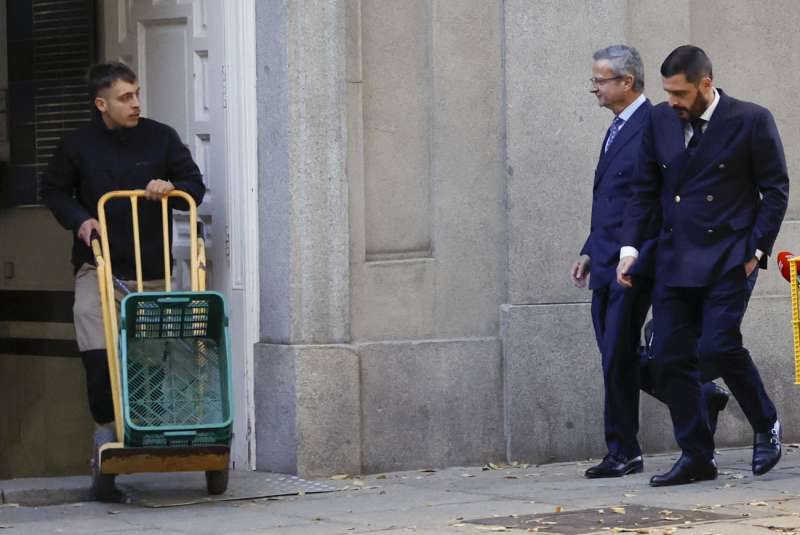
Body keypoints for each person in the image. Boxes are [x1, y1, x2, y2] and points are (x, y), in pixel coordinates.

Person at [618, 45, 788, 487]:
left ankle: (765, 422)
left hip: (729, 255)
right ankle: (697, 456)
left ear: (705, 84)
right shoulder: (659, 120)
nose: (671, 101)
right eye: (667, 92)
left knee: (719, 345)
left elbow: (775, 189)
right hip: (674, 256)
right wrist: (630, 248)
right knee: (670, 357)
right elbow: (643, 189)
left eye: (680, 93)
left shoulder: (751, 119)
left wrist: (756, 252)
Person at [41, 62, 206, 500]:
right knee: (96, 348)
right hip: (99, 267)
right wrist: (79, 219)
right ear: (102, 104)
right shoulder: (77, 144)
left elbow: (194, 186)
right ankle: (106, 435)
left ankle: (146, 440)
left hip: (152, 271)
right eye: (125, 97)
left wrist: (169, 186)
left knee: (147, 360)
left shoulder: (161, 137)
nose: (135, 103)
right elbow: (52, 190)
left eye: (136, 94)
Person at [571, 44, 655, 479]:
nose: (594, 88)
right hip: (604, 258)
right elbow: (611, 199)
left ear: (627, 81)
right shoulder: (618, 127)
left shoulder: (652, 125)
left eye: (600, 80)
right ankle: (697, 393)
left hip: (630, 262)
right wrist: (589, 249)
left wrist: (632, 252)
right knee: (613, 352)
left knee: (617, 356)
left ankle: (623, 451)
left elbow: (646, 200)